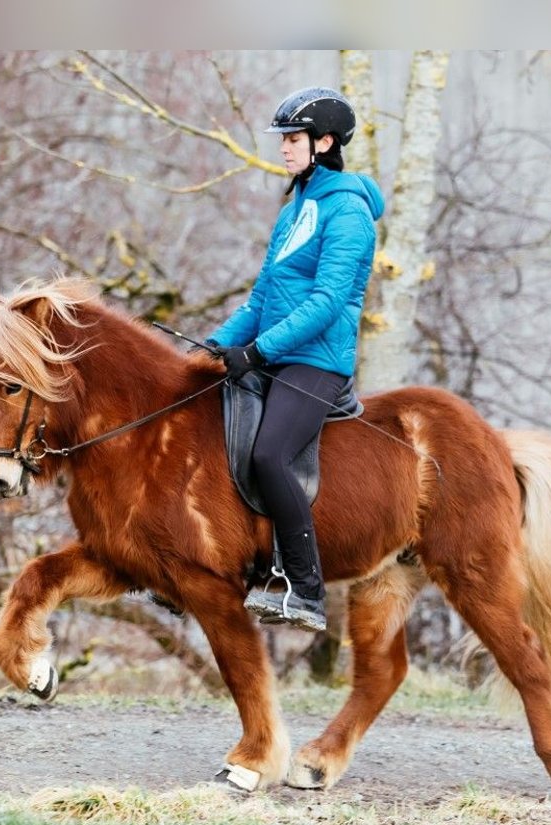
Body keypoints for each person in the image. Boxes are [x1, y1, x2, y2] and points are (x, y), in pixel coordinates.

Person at [206, 86, 385, 632]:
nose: (284, 147)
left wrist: (258, 350)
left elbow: (327, 302)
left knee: (269, 456)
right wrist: (212, 347)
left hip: (317, 362)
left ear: (324, 142)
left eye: (293, 138)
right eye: (283, 138)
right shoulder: (295, 210)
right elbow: (261, 299)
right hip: (278, 353)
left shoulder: (349, 212)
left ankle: (305, 590)